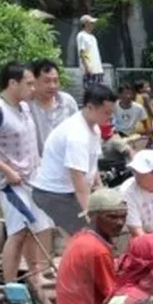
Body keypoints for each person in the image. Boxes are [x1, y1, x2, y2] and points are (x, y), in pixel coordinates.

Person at [0, 62, 53, 284]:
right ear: (12, 83)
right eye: (28, 84)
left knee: (33, 227)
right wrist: (6, 169)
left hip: (30, 178)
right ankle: (10, 284)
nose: (33, 88)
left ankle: (35, 275)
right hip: (8, 182)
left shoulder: (24, 107)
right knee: (18, 230)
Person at [31, 84, 114, 236]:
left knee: (94, 231)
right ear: (90, 107)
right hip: (53, 193)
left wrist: (101, 191)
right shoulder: (77, 135)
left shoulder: (94, 128)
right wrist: (88, 211)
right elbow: (78, 178)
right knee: (86, 235)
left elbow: (92, 164)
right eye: (106, 113)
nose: (110, 117)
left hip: (68, 191)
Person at [27, 59, 79, 148]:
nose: (52, 86)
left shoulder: (67, 102)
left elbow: (77, 132)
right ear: (34, 81)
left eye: (56, 81)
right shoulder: (26, 105)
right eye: (47, 81)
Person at [76, 15, 104, 90]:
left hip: (98, 70)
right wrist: (87, 67)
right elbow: (82, 53)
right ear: (86, 24)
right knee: (91, 95)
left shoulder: (92, 37)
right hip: (90, 72)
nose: (93, 24)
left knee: (99, 94)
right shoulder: (82, 35)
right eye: (91, 23)